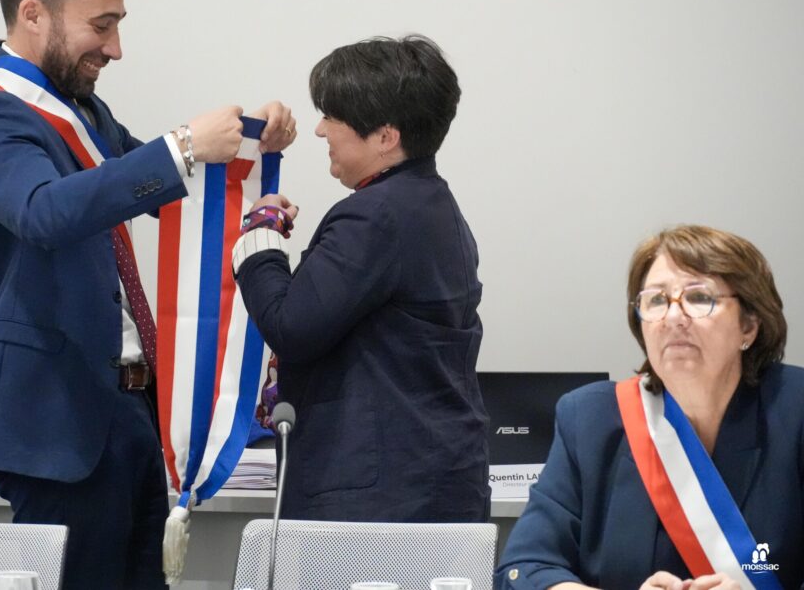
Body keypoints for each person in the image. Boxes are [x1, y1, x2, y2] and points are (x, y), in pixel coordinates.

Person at [0, 0, 295, 590]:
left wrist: (252, 143)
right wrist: (183, 145)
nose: (115, 47)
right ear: (33, 14)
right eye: (101, 26)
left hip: (128, 408)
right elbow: (45, 212)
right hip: (57, 421)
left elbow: (162, 188)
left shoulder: (82, 110)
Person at [232, 35, 489, 523]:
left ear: (386, 137)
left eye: (333, 116)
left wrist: (259, 238)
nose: (320, 129)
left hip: (376, 503)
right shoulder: (431, 204)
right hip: (428, 482)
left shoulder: (376, 215)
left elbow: (291, 327)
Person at [495, 225, 802, 590]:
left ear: (749, 325)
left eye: (699, 297)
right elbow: (524, 568)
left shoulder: (795, 409)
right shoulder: (589, 419)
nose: (672, 317)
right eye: (656, 301)